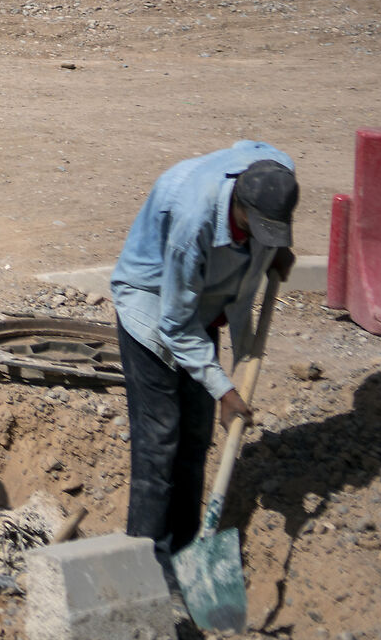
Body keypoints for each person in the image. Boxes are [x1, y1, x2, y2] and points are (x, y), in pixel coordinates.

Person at [110, 142, 298, 580]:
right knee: (160, 441)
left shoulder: (278, 174)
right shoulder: (192, 221)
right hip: (154, 302)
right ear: (241, 208)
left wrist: (275, 246)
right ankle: (147, 569)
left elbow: (252, 154)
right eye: (259, 229)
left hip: (205, 299)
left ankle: (187, 555)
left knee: (195, 438)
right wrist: (226, 390)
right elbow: (175, 325)